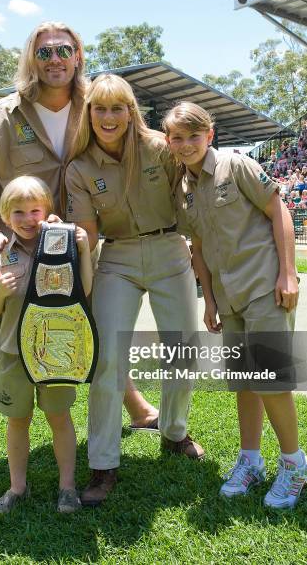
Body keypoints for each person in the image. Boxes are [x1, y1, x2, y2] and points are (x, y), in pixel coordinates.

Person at [0, 21, 156, 514]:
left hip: (78, 251)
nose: (54, 59)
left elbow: (140, 146)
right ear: (33, 56)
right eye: (44, 51)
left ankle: (135, 408)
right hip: (15, 258)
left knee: (93, 334)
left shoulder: (97, 107)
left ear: (77, 54)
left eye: (64, 49)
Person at [164, 102, 307, 510]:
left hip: (265, 284)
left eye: (194, 135)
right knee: (243, 381)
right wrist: (208, 299)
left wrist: (288, 272)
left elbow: (278, 210)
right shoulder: (183, 190)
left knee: (271, 380)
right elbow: (197, 247)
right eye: (177, 137)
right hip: (228, 298)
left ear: (209, 135)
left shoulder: (237, 164)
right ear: (169, 142)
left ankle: (295, 465)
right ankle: (250, 460)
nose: (186, 143)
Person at [65, 74, 203, 507]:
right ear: (89, 113)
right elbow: (86, 238)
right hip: (117, 258)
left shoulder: (160, 148)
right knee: (108, 360)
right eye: (100, 108)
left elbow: (194, 190)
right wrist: (84, 295)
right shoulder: (79, 168)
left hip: (169, 250)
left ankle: (174, 432)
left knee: (183, 350)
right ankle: (103, 463)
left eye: (117, 108)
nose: (109, 117)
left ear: (131, 111)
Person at [0, 176, 91, 515]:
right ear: (4, 216)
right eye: (18, 212)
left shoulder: (64, 242)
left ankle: (67, 488)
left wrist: (84, 248)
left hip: (56, 350)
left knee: (59, 417)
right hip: (14, 352)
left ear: (47, 211)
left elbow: (84, 289)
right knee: (17, 420)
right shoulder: (0, 253)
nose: (28, 219)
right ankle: (17, 488)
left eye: (35, 210)